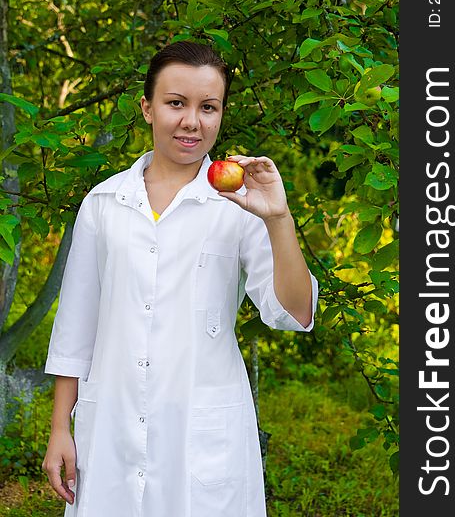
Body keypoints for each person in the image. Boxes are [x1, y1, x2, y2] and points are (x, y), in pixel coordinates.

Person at [42, 40, 319, 517]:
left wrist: (278, 218)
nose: (192, 121)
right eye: (176, 103)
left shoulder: (241, 205)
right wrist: (59, 429)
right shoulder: (104, 203)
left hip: (202, 433)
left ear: (220, 114)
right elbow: (75, 327)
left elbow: (294, 313)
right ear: (147, 108)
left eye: (207, 107)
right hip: (111, 425)